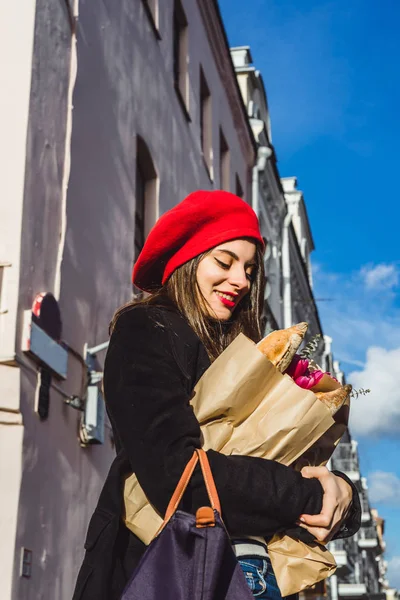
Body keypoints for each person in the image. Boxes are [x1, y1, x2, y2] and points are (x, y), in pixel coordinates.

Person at [72, 190, 360, 600]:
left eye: (249, 269)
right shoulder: (148, 330)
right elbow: (178, 474)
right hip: (156, 571)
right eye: (223, 262)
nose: (241, 280)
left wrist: (344, 496)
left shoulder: (245, 353)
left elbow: (287, 462)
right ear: (188, 262)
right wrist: (311, 495)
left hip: (245, 573)